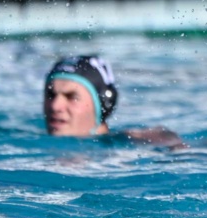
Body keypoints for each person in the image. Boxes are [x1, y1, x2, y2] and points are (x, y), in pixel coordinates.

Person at [44, 55, 184, 148]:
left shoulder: (123, 145)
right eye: (50, 95)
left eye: (71, 97)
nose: (55, 106)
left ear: (103, 103)